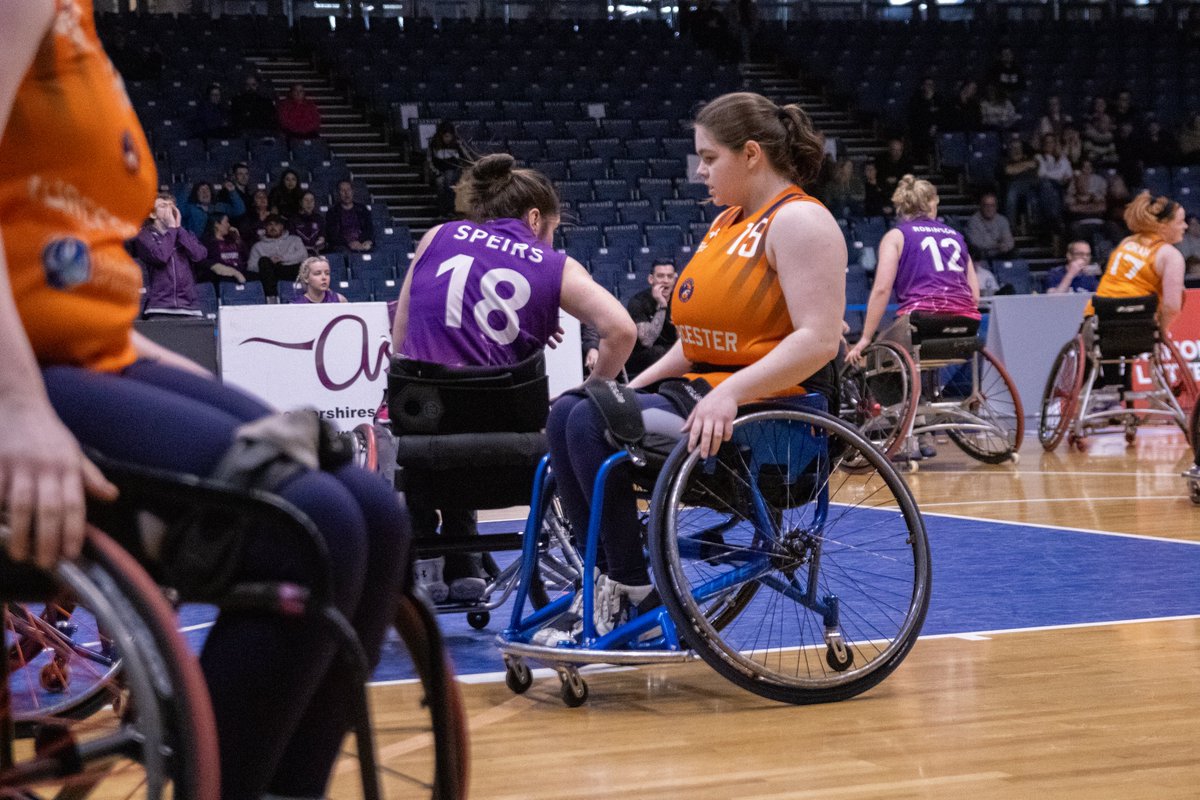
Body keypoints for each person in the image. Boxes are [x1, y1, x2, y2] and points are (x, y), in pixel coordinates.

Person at [0, 4, 406, 800]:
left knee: (369, 511)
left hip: (82, 352)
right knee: (306, 525)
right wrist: (17, 414)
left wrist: (238, 408)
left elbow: (82, 305)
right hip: (20, 378)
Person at [543, 91, 846, 637]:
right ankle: (610, 578)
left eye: (710, 158)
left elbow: (820, 340)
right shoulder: (726, 223)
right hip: (703, 395)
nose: (700, 171)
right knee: (570, 408)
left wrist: (730, 393)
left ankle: (632, 588)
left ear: (751, 153)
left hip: (772, 415)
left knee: (589, 420)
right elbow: (693, 343)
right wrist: (624, 389)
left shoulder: (800, 221)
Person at [391, 152, 636, 603]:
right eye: (553, 231)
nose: (550, 241)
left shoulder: (436, 236)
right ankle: (468, 566)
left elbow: (401, 338)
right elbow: (622, 330)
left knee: (438, 406)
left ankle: (426, 563)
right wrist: (590, 392)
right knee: (484, 411)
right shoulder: (553, 265)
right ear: (535, 217)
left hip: (424, 447)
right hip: (510, 455)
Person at [845, 175, 982, 460]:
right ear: (932, 204)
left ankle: (911, 426)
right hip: (965, 324)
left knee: (878, 357)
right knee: (918, 355)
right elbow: (974, 293)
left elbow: (882, 288)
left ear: (901, 206)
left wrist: (866, 339)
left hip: (921, 319)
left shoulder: (897, 236)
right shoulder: (956, 236)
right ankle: (924, 430)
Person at [1084, 191, 1187, 335]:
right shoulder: (1170, 255)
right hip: (1140, 322)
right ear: (1163, 226)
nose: (1185, 226)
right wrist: (1162, 331)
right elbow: (1172, 306)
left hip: (1100, 318)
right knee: (1179, 292)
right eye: (1181, 221)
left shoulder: (1127, 242)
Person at [134, 195, 207, 319]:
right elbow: (160, 257)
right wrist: (172, 229)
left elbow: (200, 255)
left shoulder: (185, 234)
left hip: (189, 307)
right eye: (163, 206)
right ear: (152, 214)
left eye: (172, 205)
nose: (170, 209)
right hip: (159, 307)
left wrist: (179, 229)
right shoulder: (144, 236)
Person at [623, 259, 679, 378]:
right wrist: (662, 306)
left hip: (671, 351)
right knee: (657, 352)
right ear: (651, 279)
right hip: (642, 355)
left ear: (675, 280)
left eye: (670, 276)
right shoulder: (638, 302)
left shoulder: (681, 300)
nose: (665, 280)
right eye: (660, 276)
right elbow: (647, 341)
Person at [247, 213, 308, 299]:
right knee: (264, 261)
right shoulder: (258, 246)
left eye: (276, 224)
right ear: (265, 228)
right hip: (272, 274)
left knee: (308, 266)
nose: (273, 227)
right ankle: (272, 298)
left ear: (282, 226)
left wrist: (283, 259)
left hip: (291, 270)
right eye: (270, 225)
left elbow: (303, 255)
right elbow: (251, 267)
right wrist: (270, 261)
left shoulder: (294, 240)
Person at [428, 120, 468, 218]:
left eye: (449, 136)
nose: (448, 139)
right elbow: (429, 160)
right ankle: (442, 211)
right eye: (446, 136)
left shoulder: (457, 144)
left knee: (449, 179)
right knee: (440, 183)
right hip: (439, 172)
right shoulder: (433, 144)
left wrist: (460, 146)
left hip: (455, 171)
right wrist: (436, 172)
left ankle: (450, 209)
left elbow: (465, 158)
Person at [178, 180, 245, 238]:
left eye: (207, 189)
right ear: (196, 194)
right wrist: (186, 190)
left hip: (218, 245)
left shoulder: (219, 207)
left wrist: (232, 191)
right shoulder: (191, 209)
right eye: (200, 190)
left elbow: (239, 210)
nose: (204, 192)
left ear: (211, 192)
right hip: (198, 246)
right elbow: (179, 210)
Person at [326, 180, 374, 253]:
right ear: (338, 193)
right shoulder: (332, 212)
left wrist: (362, 241)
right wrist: (349, 243)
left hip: (361, 242)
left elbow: (369, 228)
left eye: (348, 189)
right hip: (343, 245)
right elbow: (332, 235)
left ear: (352, 191)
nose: (346, 193)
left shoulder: (362, 209)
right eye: (343, 190)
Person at [965, 192, 1016, 261]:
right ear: (981, 206)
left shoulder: (1002, 220)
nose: (989, 209)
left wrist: (1006, 246)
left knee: (1013, 252)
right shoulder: (973, 221)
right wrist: (996, 245)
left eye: (992, 205)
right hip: (982, 256)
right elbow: (976, 243)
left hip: (1000, 254)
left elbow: (1009, 240)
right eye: (986, 205)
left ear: (996, 207)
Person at [201, 212, 249, 286]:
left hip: (241, 272)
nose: (229, 225)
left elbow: (246, 257)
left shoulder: (232, 239)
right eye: (226, 222)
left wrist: (238, 239)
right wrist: (233, 272)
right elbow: (208, 263)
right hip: (223, 276)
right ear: (217, 224)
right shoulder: (208, 243)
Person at [291, 190, 327, 255]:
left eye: (311, 200)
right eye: (306, 200)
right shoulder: (293, 220)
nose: (309, 203)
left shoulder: (319, 219)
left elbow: (322, 237)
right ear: (300, 202)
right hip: (298, 254)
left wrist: (320, 242)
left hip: (316, 252)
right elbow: (292, 240)